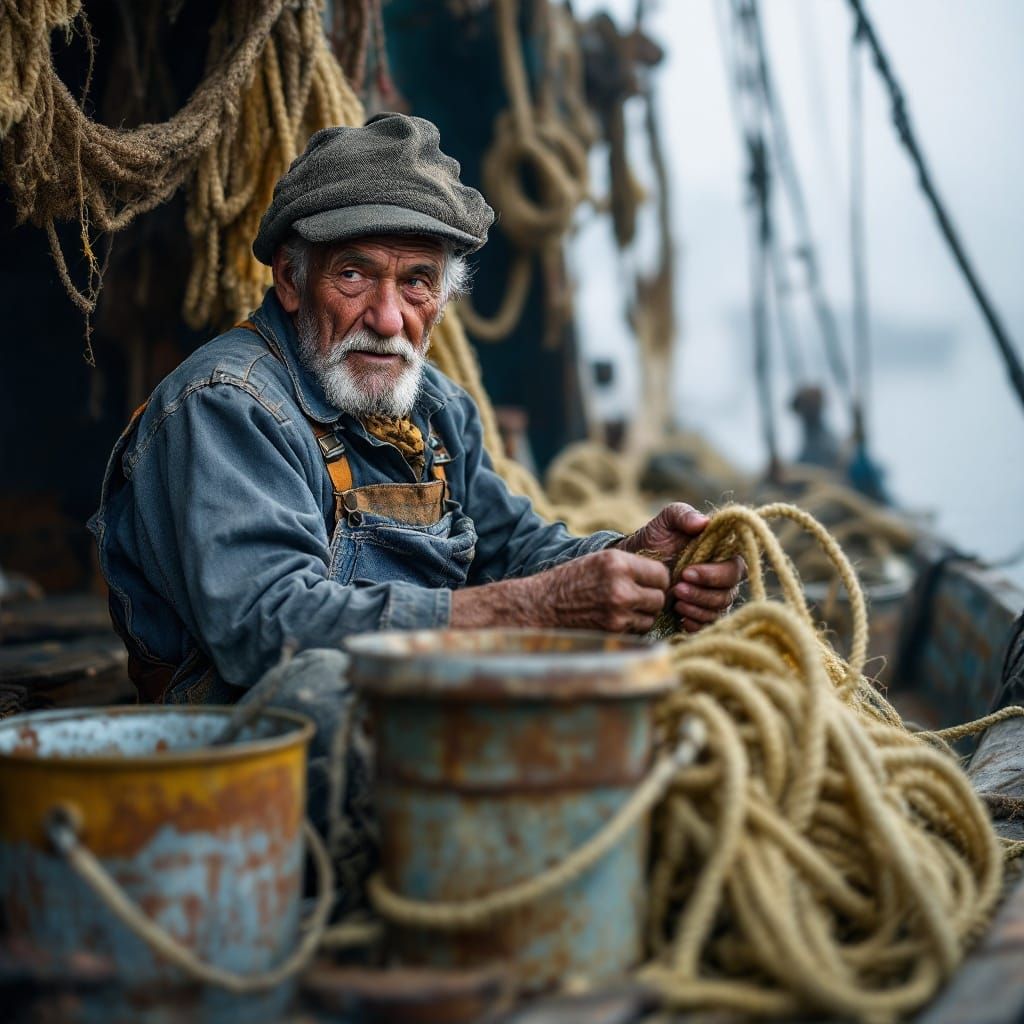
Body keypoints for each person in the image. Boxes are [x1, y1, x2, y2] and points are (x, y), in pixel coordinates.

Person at [89, 113, 744, 885]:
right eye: (355, 275)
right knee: (324, 691)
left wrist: (636, 559)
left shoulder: (434, 407)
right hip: (234, 763)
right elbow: (269, 627)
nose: (389, 319)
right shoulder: (225, 405)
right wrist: (533, 611)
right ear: (292, 282)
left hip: (411, 718)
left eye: (417, 282)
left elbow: (520, 549)